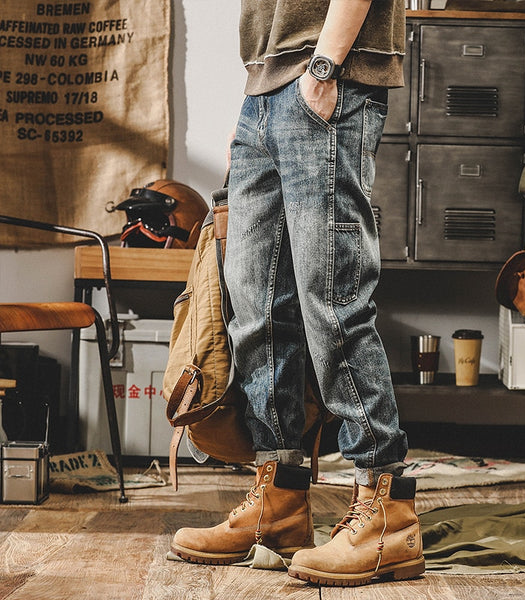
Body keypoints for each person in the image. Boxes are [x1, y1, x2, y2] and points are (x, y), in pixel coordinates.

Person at [171, 0, 425, 586]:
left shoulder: (328, 73)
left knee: (333, 302)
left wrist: (325, 66)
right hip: (267, 84)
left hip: (328, 76)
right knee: (255, 307)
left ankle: (385, 505)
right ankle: (279, 501)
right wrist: (257, 88)